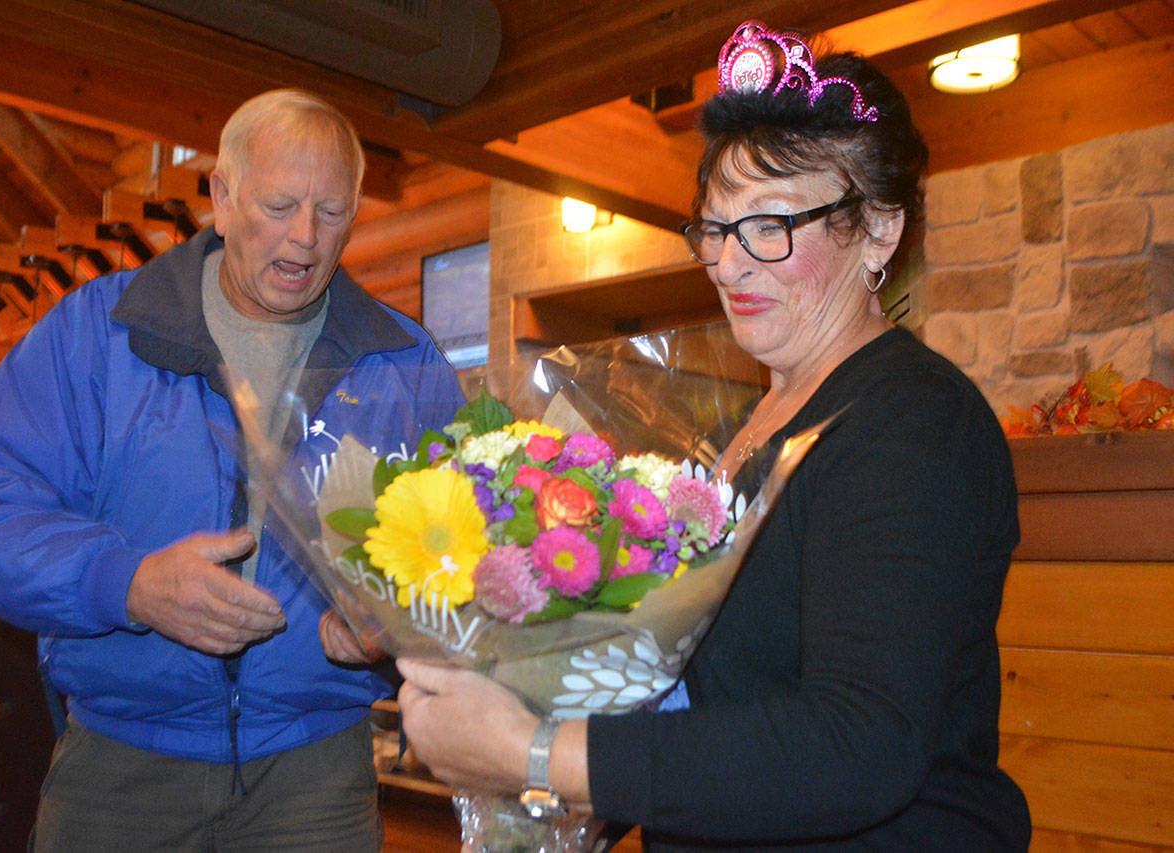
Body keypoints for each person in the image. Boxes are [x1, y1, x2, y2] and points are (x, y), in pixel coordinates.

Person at [395, 21, 1032, 851]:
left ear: (879, 229)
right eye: (716, 229)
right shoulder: (753, 427)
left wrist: (536, 752)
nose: (730, 264)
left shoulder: (912, 425)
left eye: (770, 225)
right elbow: (711, 693)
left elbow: (858, 746)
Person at [0, 88, 464, 850]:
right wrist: (126, 583)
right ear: (221, 192)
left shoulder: (405, 365)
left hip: (317, 775)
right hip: (119, 769)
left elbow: (479, 552)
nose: (307, 239)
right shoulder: (98, 333)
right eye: (279, 205)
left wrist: (400, 620)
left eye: (333, 212)